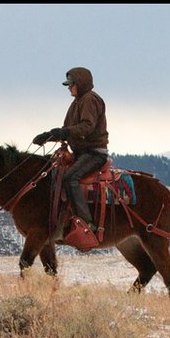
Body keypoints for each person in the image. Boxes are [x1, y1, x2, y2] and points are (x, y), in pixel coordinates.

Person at [32, 66, 110, 238]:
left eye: (71, 84)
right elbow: (68, 130)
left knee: (70, 177)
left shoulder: (89, 100)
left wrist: (64, 133)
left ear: (80, 83)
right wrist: (50, 136)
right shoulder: (77, 102)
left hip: (94, 153)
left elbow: (86, 127)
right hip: (81, 152)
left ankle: (86, 222)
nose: (68, 88)